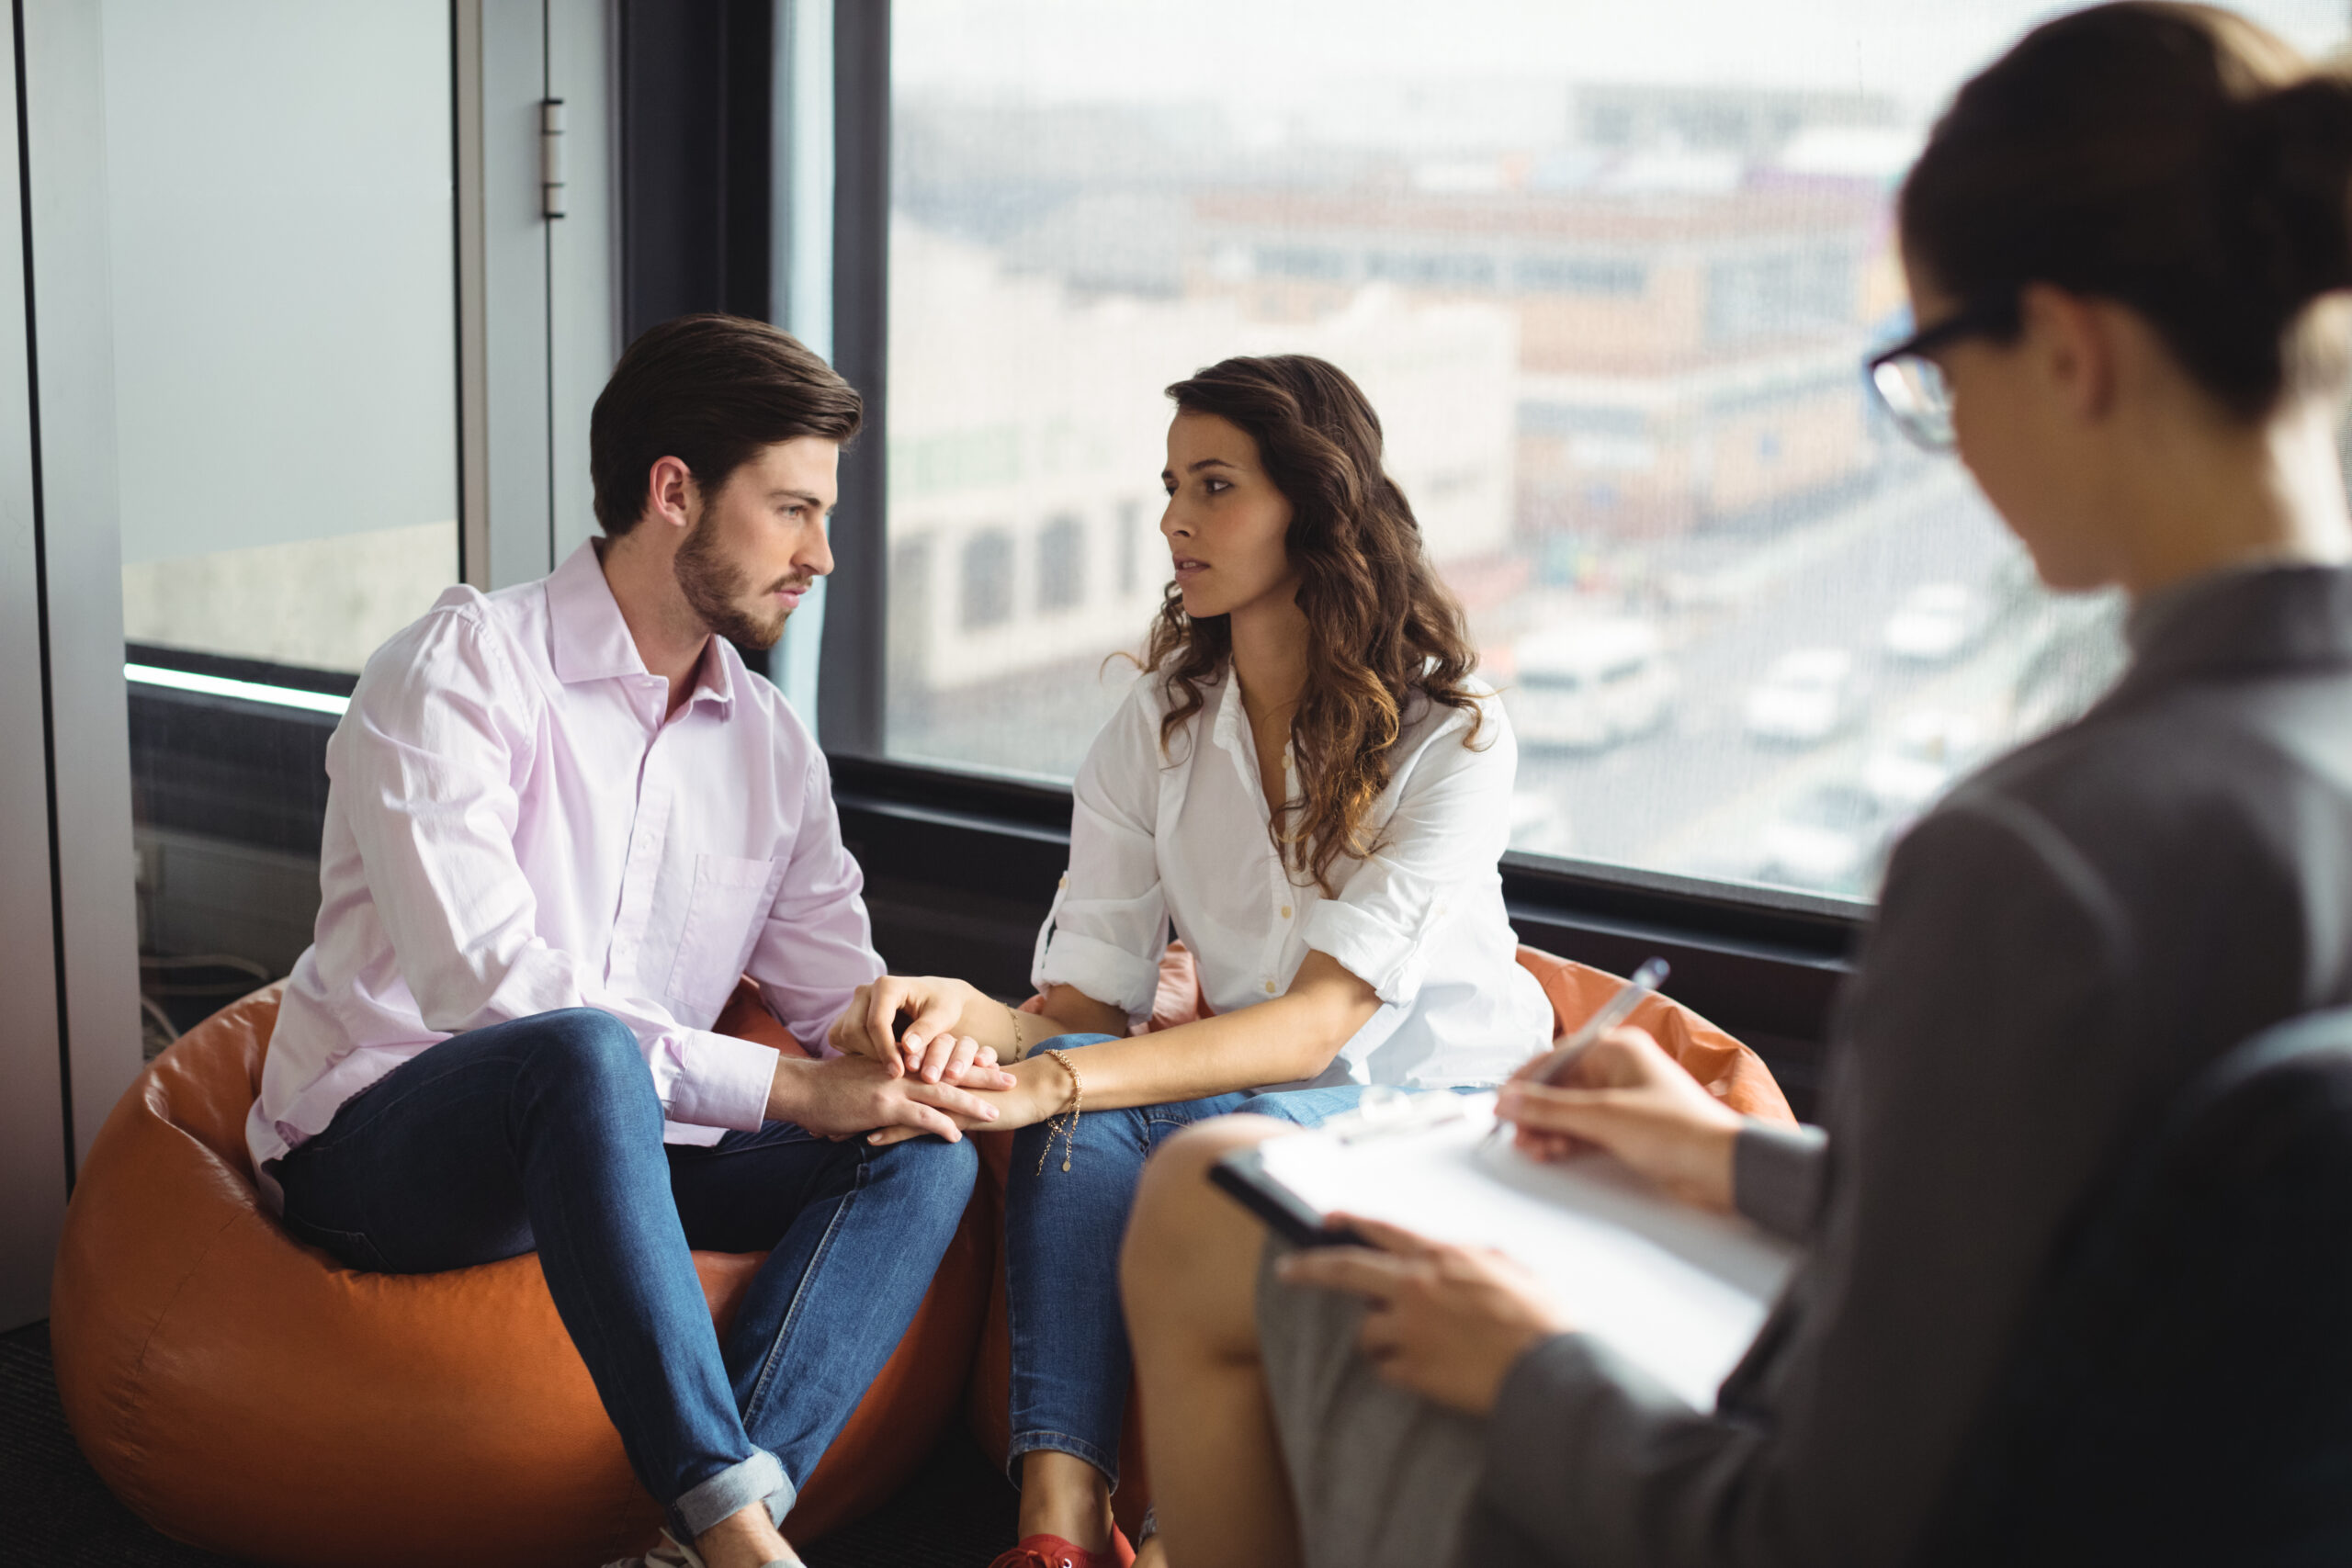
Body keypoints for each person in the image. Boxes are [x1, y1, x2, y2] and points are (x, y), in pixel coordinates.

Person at [1116, 6, 2352, 1564]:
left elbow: (1809, 1532)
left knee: (1209, 1207)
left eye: (1932, 364)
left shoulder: (2039, 860)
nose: (1949, 434)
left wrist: (1533, 1371)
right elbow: (2102, 1241)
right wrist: (1730, 1158)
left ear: (2066, 348)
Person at [244, 315, 1009, 1568]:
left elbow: (835, 999)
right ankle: (737, 1531)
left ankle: (713, 1525)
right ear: (673, 492)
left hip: (628, 1158)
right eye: (791, 510)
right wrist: (794, 1087)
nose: (822, 554)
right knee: (583, 1052)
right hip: (389, 1150)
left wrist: (899, 1045)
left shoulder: (769, 746)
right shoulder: (458, 670)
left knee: (918, 1154)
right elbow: (488, 991)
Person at [824, 354, 1555, 1568]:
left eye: (1214, 486)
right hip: (1265, 1087)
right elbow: (1084, 1003)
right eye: (1172, 486)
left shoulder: (1455, 733)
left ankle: (1184, 1542)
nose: (1173, 520)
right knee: (1087, 1114)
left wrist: (1058, 1070)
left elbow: (1318, 1025)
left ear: (1313, 507)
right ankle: (1054, 1537)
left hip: (1443, 1106)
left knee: (1181, 1125)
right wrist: (977, 1018)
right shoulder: (1157, 726)